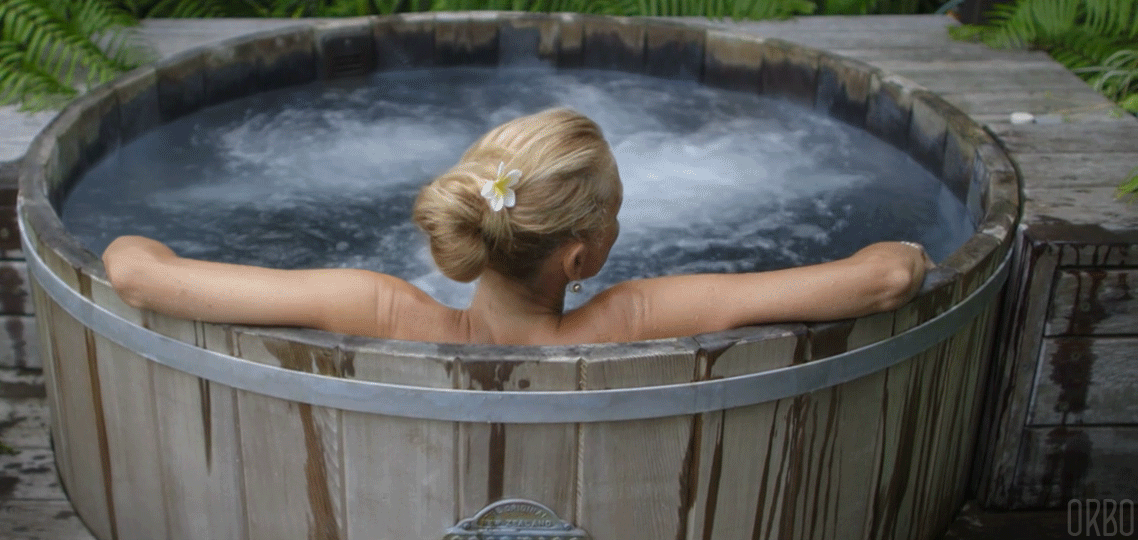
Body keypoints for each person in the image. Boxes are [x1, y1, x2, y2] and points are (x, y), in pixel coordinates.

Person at [103, 108, 933, 345]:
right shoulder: (632, 320)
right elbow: (889, 276)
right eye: (615, 214)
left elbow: (135, 270)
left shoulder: (381, 310)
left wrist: (130, 242)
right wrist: (906, 246)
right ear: (583, 255)